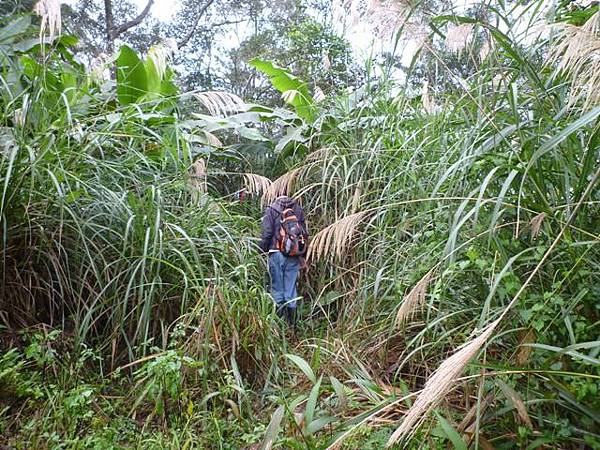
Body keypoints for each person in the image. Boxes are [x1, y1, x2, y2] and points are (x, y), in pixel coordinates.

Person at [260, 195, 308, 325]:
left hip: (276, 253)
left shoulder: (272, 209)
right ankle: (291, 325)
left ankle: (279, 326)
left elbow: (267, 233)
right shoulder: (297, 209)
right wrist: (302, 256)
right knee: (290, 289)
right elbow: (304, 234)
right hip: (293, 255)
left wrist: (261, 251)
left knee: (277, 288)